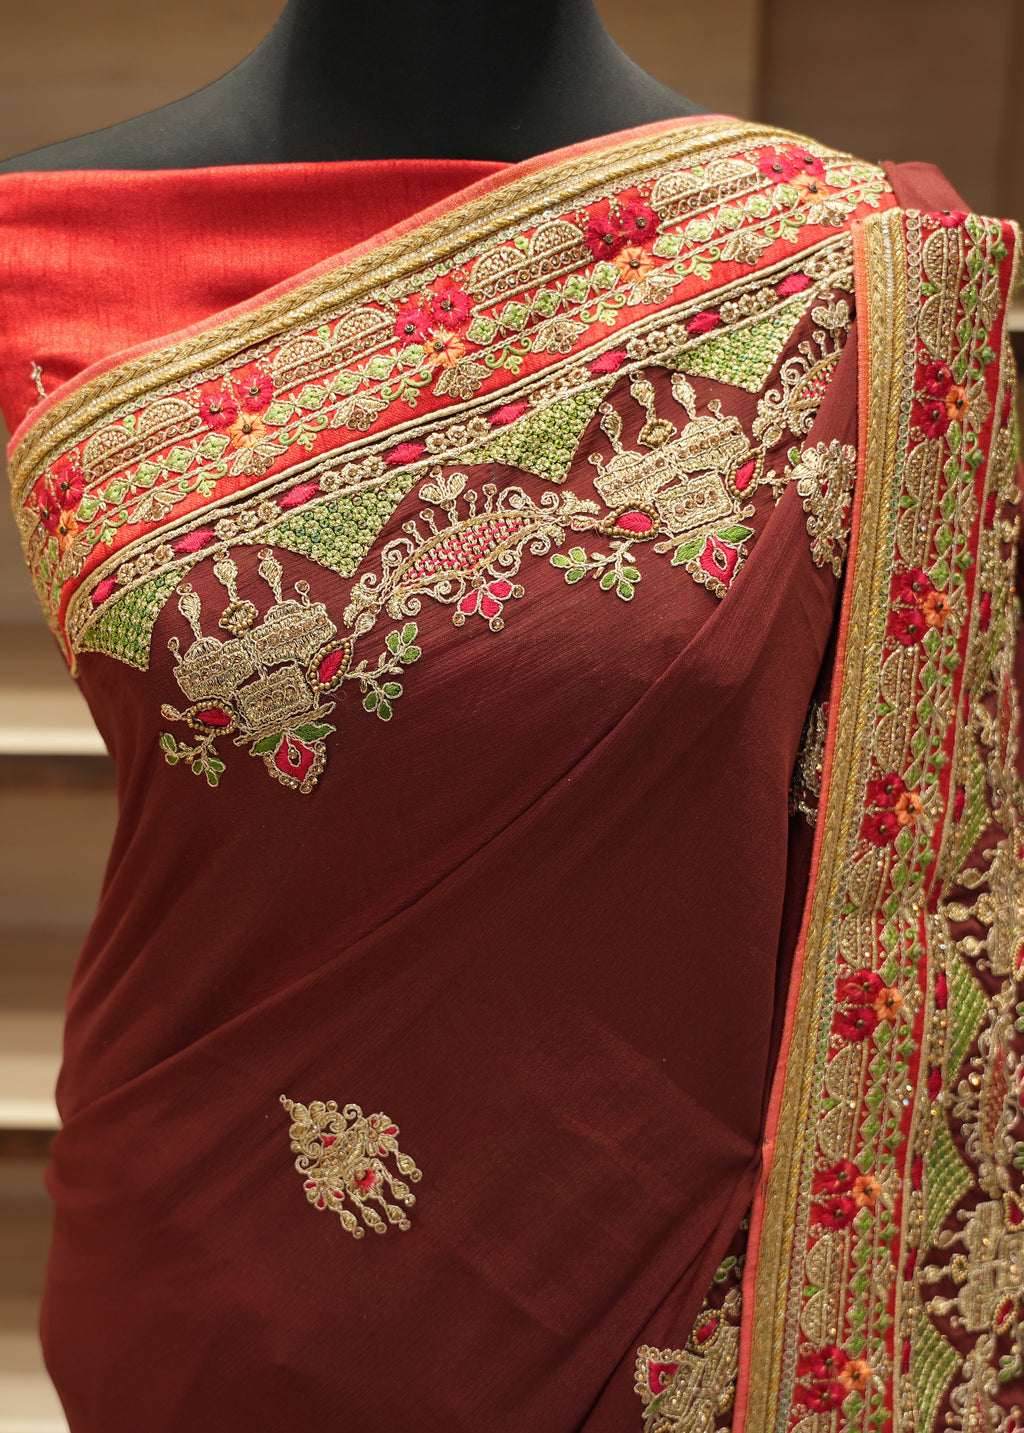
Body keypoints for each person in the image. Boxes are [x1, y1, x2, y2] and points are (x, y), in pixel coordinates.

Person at [0, 3, 1020, 1429]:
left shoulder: (848, 273)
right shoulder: (44, 248)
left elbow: (922, 865)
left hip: (664, 1288)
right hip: (209, 1263)